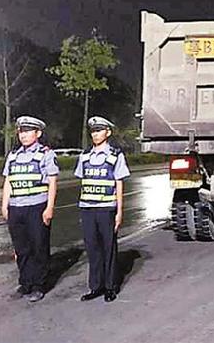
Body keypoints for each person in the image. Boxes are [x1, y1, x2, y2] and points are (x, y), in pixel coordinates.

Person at [0, 116, 59, 302]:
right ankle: (25, 282)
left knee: (38, 247)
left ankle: (39, 285)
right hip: (16, 207)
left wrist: (49, 207)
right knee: (22, 248)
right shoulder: (13, 155)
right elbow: (8, 181)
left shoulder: (45, 154)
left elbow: (52, 182)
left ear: (38, 133)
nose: (23, 135)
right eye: (21, 132)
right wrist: (4, 205)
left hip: (36, 206)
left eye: (27, 131)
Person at [75, 116, 130, 303]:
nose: (95, 134)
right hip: (87, 209)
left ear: (108, 133)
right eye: (93, 131)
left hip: (106, 209)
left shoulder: (115, 155)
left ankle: (110, 286)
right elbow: (83, 182)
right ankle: (95, 286)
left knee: (108, 248)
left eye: (99, 131)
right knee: (92, 249)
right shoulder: (84, 156)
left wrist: (119, 212)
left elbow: (119, 183)